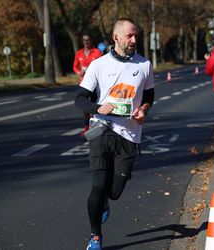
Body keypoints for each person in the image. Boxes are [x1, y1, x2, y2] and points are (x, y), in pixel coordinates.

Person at [74, 18, 155, 250]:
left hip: (128, 135)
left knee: (115, 192)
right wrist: (97, 108)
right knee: (98, 187)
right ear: (116, 37)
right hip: (102, 130)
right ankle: (95, 236)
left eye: (136, 36)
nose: (134, 40)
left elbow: (149, 95)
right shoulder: (99, 65)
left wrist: (144, 110)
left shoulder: (144, 65)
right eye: (130, 36)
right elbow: (79, 98)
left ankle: (106, 203)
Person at [73, 33, 102, 138]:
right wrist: (79, 72)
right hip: (84, 83)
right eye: (84, 40)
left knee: (94, 104)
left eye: (88, 40)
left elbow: (102, 65)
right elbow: (75, 66)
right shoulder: (79, 53)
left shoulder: (97, 52)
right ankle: (86, 127)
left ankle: (96, 125)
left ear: (91, 40)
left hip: (96, 83)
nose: (86, 42)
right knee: (85, 106)